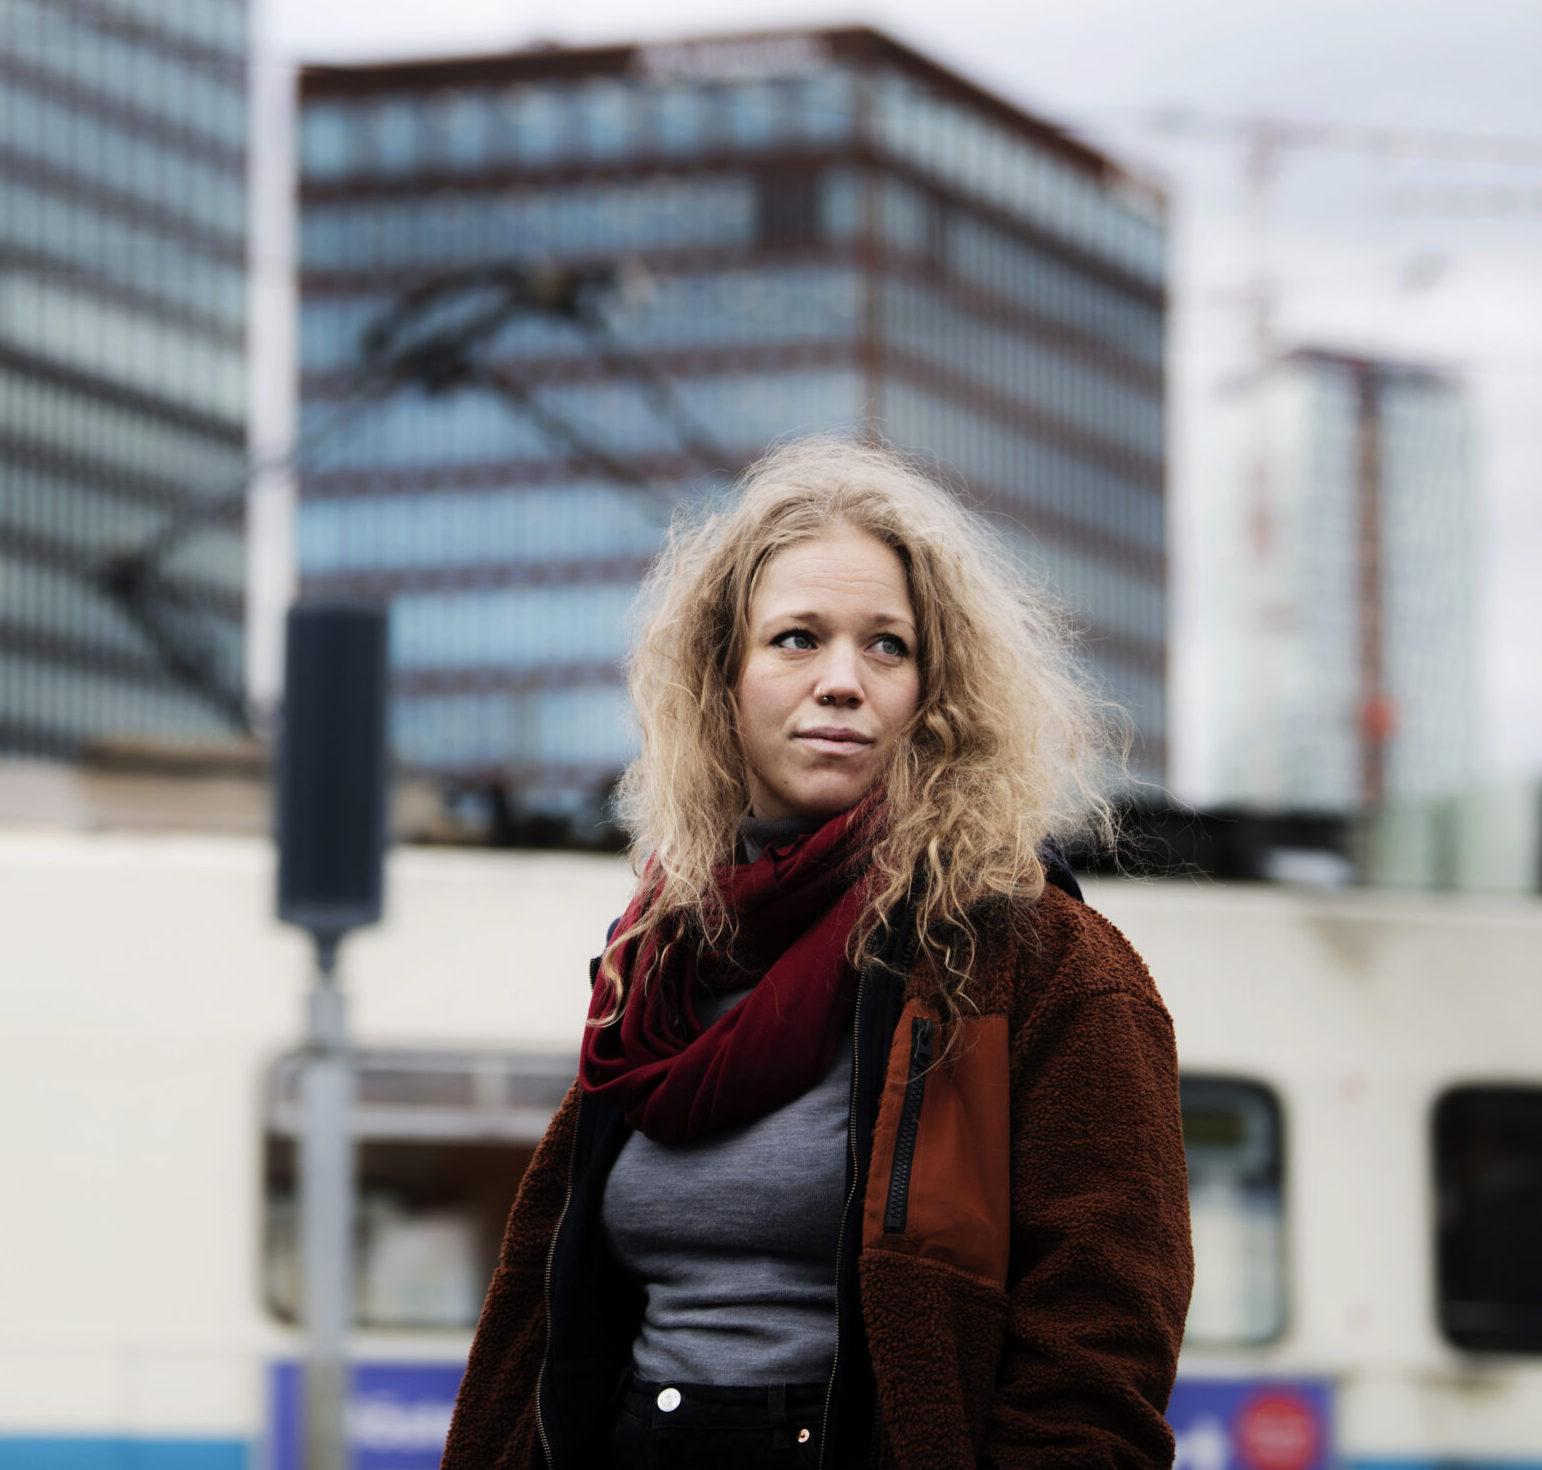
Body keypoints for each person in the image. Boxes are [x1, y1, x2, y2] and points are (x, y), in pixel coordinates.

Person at [440, 436, 1192, 1470]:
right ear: (723, 685)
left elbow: (1096, 1355)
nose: (842, 680)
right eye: (796, 639)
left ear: (937, 691)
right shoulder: (658, 963)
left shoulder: (1041, 964)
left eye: (887, 646)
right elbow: (544, 1320)